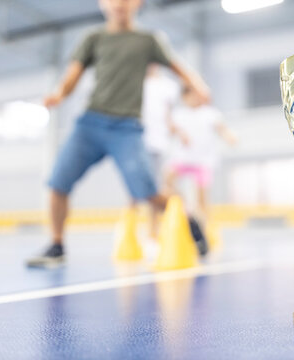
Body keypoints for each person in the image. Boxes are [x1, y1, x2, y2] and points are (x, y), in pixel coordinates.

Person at [27, 0, 209, 268]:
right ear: (103, 4)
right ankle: (56, 245)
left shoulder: (148, 40)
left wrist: (198, 87)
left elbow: (178, 68)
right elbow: (72, 76)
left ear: (138, 3)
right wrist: (58, 95)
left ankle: (189, 220)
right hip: (90, 123)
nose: (120, 3)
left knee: (148, 193)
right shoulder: (93, 38)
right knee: (57, 183)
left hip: (127, 129)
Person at [165, 86, 236, 241]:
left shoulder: (210, 113)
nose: (196, 99)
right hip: (183, 158)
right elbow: (171, 128)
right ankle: (186, 208)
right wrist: (179, 132)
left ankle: (205, 230)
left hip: (203, 161)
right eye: (192, 95)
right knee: (167, 180)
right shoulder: (179, 114)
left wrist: (229, 136)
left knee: (203, 199)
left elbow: (221, 128)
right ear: (184, 97)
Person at [138, 65, 180, 242]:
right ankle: (142, 230)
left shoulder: (167, 86)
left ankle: (154, 231)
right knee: (137, 187)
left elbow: (168, 112)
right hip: (138, 140)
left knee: (157, 188)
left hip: (159, 142)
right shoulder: (137, 82)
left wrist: (174, 130)